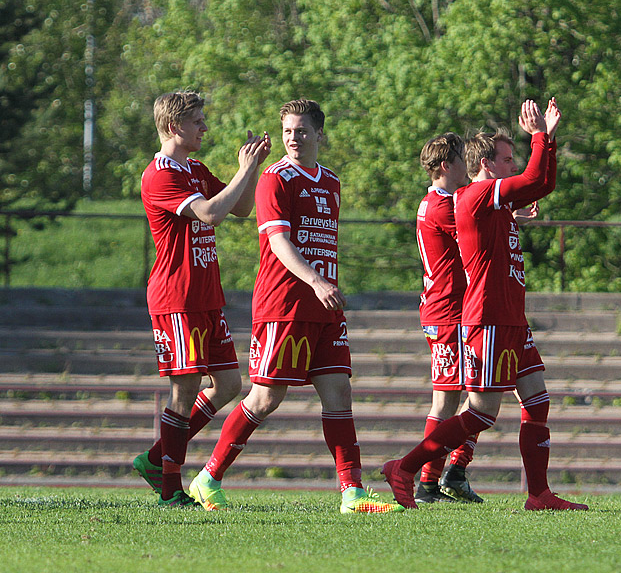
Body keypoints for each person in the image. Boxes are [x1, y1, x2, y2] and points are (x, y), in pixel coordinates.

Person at [187, 99, 403, 514]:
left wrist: (325, 286)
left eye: (301, 131)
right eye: (287, 131)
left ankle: (352, 493)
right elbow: (278, 242)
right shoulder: (275, 179)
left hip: (324, 307)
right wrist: (317, 280)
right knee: (266, 397)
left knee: (339, 391)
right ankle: (207, 477)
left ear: (319, 134)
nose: (293, 138)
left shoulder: (330, 182)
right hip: (284, 305)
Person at [383, 98, 588, 511]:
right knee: (480, 413)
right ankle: (405, 468)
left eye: (515, 158)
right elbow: (535, 180)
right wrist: (539, 135)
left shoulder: (496, 205)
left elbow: (540, 184)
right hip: (487, 319)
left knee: (537, 400)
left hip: (512, 319)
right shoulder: (477, 195)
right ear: (486, 165)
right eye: (506, 159)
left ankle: (539, 494)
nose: (513, 166)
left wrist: (546, 139)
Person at [132, 90, 271, 507]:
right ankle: (171, 488)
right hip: (178, 298)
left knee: (228, 384)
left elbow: (241, 209)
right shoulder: (160, 174)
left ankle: (157, 459)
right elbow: (211, 213)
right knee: (185, 390)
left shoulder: (194, 168)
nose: (205, 127)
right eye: (198, 121)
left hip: (207, 296)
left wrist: (252, 170)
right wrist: (242, 170)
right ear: (175, 127)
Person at [414, 133, 538, 504]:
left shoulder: (446, 201)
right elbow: (478, 229)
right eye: (459, 160)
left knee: (479, 395)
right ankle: (426, 479)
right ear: (445, 166)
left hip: (456, 308)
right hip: (450, 310)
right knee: (452, 400)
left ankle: (453, 471)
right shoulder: (443, 205)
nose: (467, 170)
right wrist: (509, 213)